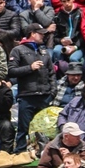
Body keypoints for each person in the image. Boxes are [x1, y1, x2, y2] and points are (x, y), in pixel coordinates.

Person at [9, 22, 56, 152]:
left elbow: (51, 72)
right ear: (32, 34)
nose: (43, 36)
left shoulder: (44, 50)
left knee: (44, 128)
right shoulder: (18, 50)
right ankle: (20, 153)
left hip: (44, 95)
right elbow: (11, 71)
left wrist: (52, 92)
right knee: (23, 128)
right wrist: (30, 68)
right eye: (40, 34)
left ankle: (44, 153)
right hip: (27, 95)